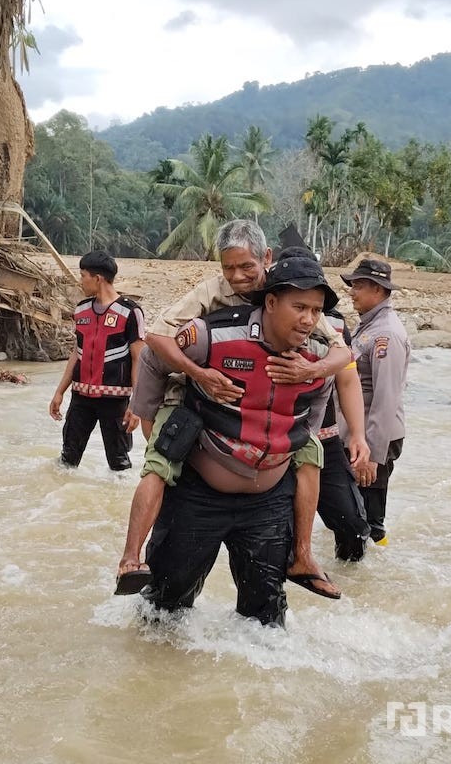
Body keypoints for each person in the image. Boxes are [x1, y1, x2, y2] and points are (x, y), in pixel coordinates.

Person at [114, 221, 368, 598]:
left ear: (266, 260)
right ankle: (130, 558)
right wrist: (192, 380)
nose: (236, 277)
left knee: (310, 452)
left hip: (269, 442)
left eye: (246, 266)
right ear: (270, 304)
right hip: (193, 394)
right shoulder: (211, 302)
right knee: (161, 460)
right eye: (228, 268)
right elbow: (155, 342)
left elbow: (341, 356)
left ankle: (302, 556)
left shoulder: (297, 308)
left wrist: (309, 377)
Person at [136, 256, 340, 626]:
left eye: (315, 310)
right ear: (271, 302)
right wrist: (148, 418)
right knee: (163, 610)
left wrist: (300, 431)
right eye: (299, 308)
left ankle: (303, 555)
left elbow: (322, 394)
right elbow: (153, 354)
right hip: (199, 494)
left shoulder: (320, 353)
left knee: (266, 622)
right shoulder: (211, 334)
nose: (308, 320)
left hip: (268, 504)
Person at [50, 251, 145, 471]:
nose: (80, 281)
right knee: (67, 459)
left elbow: (138, 359)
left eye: (83, 275)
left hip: (115, 401)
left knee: (119, 463)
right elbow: (77, 352)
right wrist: (60, 392)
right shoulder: (81, 309)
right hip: (80, 398)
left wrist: (136, 405)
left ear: (98, 278)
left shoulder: (130, 312)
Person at [340, 258, 411, 545]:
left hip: (374, 439)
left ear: (379, 290)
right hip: (361, 437)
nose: (352, 292)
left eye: (358, 286)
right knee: (354, 512)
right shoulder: (369, 325)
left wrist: (372, 455)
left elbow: (386, 398)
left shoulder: (386, 334)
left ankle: (377, 563)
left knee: (371, 521)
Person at [314, 309, 372, 561]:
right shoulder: (259, 316)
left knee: (353, 526)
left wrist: (358, 435)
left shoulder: (334, 323)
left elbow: (347, 380)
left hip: (325, 439)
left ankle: (349, 580)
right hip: (279, 442)